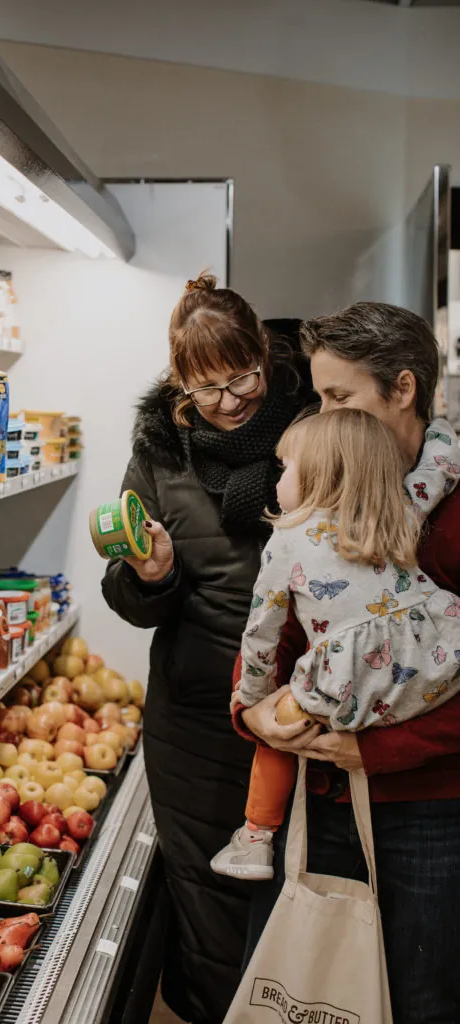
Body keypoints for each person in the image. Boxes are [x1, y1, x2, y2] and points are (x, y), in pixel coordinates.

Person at [233, 302, 460, 1024]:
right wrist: (253, 713)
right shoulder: (320, 494)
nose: (322, 415)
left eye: (339, 397)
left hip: (429, 813)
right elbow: (279, 633)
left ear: (401, 389)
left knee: (420, 996)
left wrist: (373, 747)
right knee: (299, 991)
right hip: (317, 797)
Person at [101, 273, 314, 1024]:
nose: (228, 402)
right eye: (205, 388)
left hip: (304, 711)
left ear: (264, 354)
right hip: (195, 712)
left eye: (242, 378)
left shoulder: (314, 429)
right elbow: (124, 596)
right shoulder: (160, 450)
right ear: (177, 383)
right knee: (208, 891)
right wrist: (149, 575)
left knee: (301, 888)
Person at [211, 407, 460, 881]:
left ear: (319, 477)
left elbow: (261, 632)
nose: (277, 480)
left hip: (348, 683)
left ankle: (256, 835)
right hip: (436, 661)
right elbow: (439, 470)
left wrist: (253, 701)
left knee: (284, 726)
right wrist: (441, 429)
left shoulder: (286, 541)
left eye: (285, 468)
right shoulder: (397, 514)